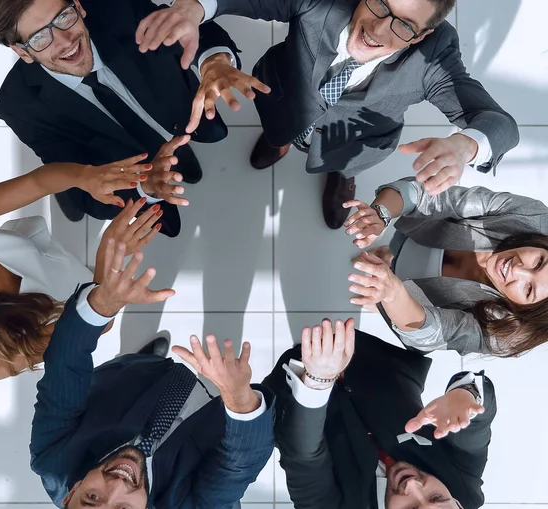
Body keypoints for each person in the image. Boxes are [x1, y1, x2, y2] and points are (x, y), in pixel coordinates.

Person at [132, 0, 519, 229]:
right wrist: (197, 7)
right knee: (278, 132)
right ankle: (279, 141)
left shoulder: (432, 55)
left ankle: (340, 177)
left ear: (420, 37)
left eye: (403, 25)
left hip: (357, 142)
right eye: (380, 4)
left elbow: (499, 123)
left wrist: (465, 144)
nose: (378, 29)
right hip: (282, 99)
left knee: (342, 166)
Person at [30, 237, 274, 508]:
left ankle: (147, 361)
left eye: (92, 497)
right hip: (207, 425)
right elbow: (238, 466)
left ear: (71, 491)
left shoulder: (52, 458)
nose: (117, 484)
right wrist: (239, 398)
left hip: (128, 385)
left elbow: (65, 368)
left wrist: (100, 306)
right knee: (267, 409)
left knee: (137, 366)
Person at [0, 0, 269, 235]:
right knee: (74, 199)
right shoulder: (19, 105)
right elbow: (82, 186)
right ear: (21, 52)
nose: (65, 40)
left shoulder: (117, 8)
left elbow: (187, 27)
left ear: (78, 7)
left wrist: (213, 61)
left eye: (63, 17)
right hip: (119, 167)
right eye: (39, 37)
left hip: (180, 116)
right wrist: (145, 187)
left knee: (181, 153)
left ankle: (183, 157)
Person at [0, 157, 169, 385]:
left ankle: (75, 202)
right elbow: (92, 327)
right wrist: (109, 257)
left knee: (78, 269)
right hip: (70, 307)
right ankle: (133, 368)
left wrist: (85, 177)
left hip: (50, 260)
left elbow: (38, 183)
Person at [263, 318, 496, 509]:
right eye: (438, 497)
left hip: (297, 398)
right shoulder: (465, 489)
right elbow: (477, 426)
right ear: (457, 503)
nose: (413, 485)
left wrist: (317, 383)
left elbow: (305, 458)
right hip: (375, 364)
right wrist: (465, 395)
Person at [344, 177, 548, 357]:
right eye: (539, 262)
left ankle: (384, 298)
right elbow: (440, 197)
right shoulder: (534, 219)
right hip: (422, 235)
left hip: (420, 306)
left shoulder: (511, 333)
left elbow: (436, 332)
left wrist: (393, 297)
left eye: (529, 289)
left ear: (527, 310)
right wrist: (382, 213)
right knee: (399, 244)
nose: (517, 270)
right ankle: (391, 253)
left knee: (395, 302)